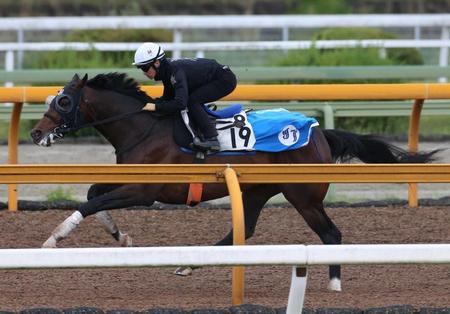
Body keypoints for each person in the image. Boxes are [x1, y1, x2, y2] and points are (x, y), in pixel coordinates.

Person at [133, 42, 237, 152]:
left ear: (157, 63)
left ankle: (212, 139)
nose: (144, 73)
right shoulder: (167, 71)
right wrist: (147, 103)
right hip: (212, 76)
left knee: (192, 101)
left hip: (224, 79)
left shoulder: (175, 72)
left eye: (144, 68)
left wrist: (156, 107)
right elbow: (167, 98)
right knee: (191, 100)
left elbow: (180, 103)